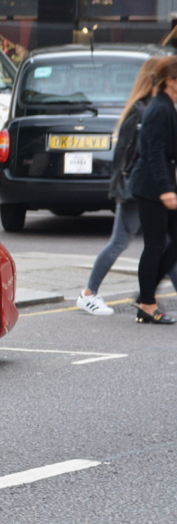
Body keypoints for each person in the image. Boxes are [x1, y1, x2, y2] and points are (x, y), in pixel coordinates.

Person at [76, 57, 177, 314]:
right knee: (121, 242)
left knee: (164, 243)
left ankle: (147, 295)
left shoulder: (154, 107)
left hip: (143, 186)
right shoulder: (143, 110)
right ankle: (89, 294)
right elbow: (128, 154)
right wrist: (127, 188)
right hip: (136, 188)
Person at [126, 54, 177, 324]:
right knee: (155, 246)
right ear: (171, 81)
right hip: (152, 188)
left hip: (158, 185)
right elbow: (155, 153)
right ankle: (146, 303)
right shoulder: (160, 108)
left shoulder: (166, 105)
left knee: (166, 244)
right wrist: (166, 190)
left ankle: (146, 294)